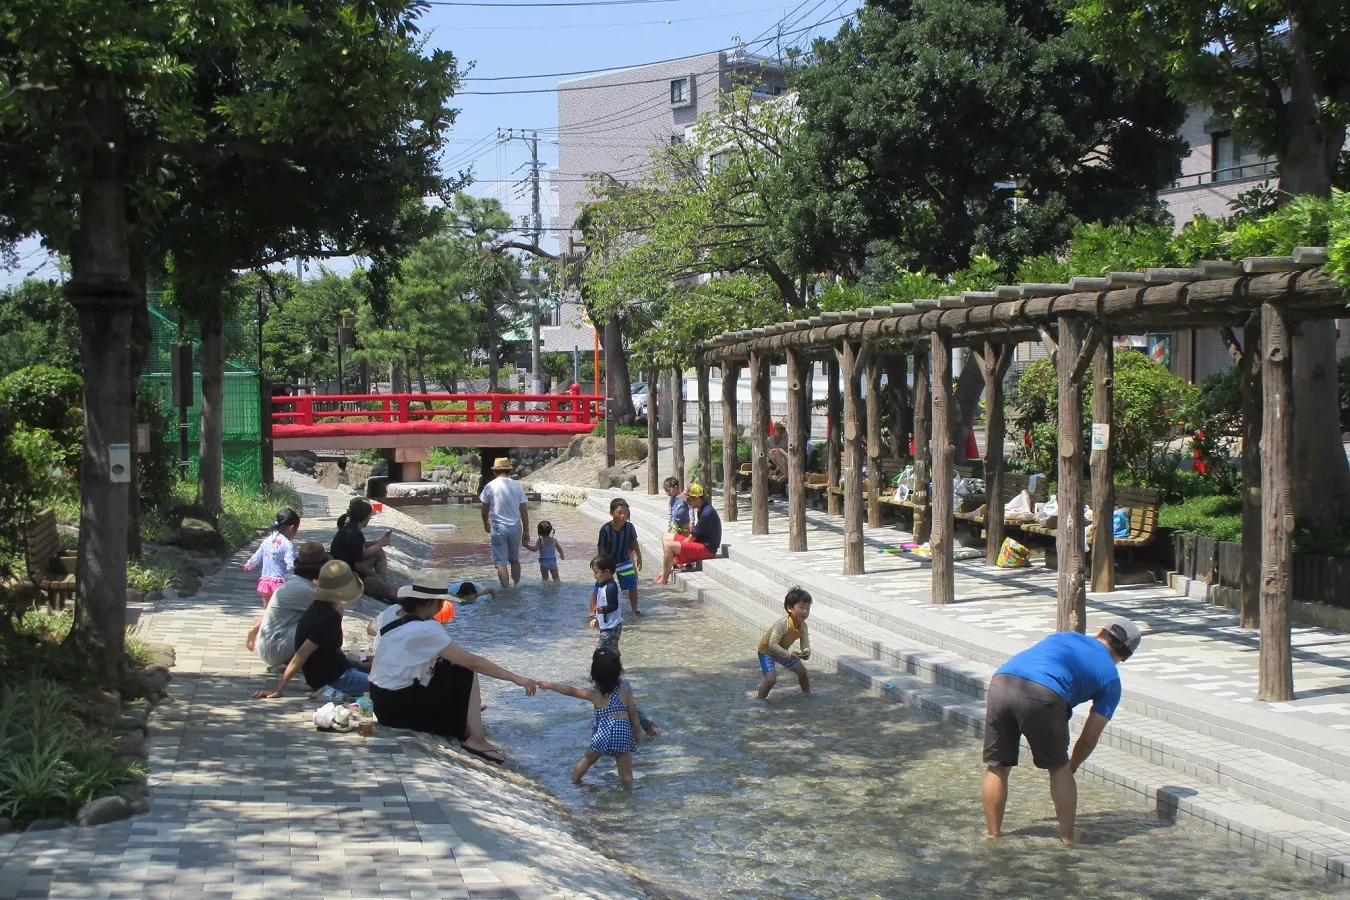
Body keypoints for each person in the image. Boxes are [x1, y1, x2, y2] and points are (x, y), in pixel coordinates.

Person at [982, 617, 1143, 845]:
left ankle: (992, 835)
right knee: (1059, 769)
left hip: (1001, 683)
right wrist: (1071, 767)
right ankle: (1068, 838)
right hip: (1044, 695)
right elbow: (1090, 737)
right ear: (1125, 657)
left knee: (997, 766)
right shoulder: (1111, 681)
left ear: (1100, 632)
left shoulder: (1065, 636)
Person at [367, 579, 539, 764]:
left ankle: (466, 709)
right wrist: (516, 678)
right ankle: (477, 740)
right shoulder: (428, 629)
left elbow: (370, 629)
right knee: (465, 669)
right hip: (400, 712)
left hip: (379, 701)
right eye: (441, 602)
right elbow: (474, 662)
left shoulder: (392, 611)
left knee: (444, 663)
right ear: (433, 602)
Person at [252, 560, 370, 700]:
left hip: (339, 669)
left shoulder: (318, 606)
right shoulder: (327, 617)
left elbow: (330, 654)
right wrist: (279, 689)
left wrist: (360, 664)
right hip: (334, 678)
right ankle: (334, 692)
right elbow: (301, 654)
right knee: (388, 689)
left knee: (383, 676)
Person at [540, 646, 643, 788]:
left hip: (604, 736)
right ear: (618, 672)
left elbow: (571, 690)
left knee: (587, 760)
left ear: (594, 676)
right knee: (626, 775)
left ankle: (574, 783)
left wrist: (550, 685)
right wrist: (637, 732)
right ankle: (629, 797)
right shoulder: (625, 693)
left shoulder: (595, 695)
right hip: (623, 736)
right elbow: (633, 714)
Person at [248, 542, 327, 665]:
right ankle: (309, 662)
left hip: (269, 644)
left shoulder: (295, 582)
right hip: (273, 649)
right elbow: (333, 610)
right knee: (323, 620)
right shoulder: (302, 589)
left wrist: (254, 629)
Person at [329, 498, 396, 602]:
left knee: (378, 551)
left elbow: (359, 546)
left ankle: (384, 582)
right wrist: (374, 576)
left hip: (346, 570)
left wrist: (377, 542)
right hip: (352, 578)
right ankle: (383, 585)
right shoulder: (355, 534)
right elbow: (359, 566)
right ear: (365, 517)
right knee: (393, 592)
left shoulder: (348, 527)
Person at [480, 457, 529, 588]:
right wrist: (527, 530)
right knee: (515, 560)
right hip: (515, 527)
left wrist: (486, 524)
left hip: (498, 527)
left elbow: (484, 510)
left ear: (495, 472)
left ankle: (506, 591)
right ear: (509, 471)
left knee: (501, 563)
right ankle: (516, 587)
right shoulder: (517, 486)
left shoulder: (489, 486)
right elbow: (524, 510)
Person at [656, 483, 721, 584]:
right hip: (700, 543)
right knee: (666, 537)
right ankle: (670, 566)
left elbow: (691, 538)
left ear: (696, 499)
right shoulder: (702, 508)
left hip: (707, 549)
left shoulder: (707, 513)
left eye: (688, 499)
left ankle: (664, 579)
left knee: (670, 546)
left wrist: (679, 547)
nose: (686, 502)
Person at [757, 587, 812, 700]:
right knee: (771, 679)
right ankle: (759, 701)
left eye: (807, 608)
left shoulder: (803, 626)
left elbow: (805, 642)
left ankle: (807, 695)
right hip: (766, 652)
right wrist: (789, 654)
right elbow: (772, 645)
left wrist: (806, 652)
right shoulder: (782, 624)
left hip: (783, 652)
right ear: (790, 608)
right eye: (801, 607)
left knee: (803, 672)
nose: (805, 611)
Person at [244, 507, 301, 604]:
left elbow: (258, 555)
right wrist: (297, 573)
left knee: (268, 611)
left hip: (265, 581)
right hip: (281, 583)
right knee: (278, 611)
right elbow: (290, 564)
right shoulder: (287, 544)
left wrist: (249, 564)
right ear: (292, 528)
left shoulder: (267, 540)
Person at [596, 498, 642, 615]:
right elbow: (601, 549)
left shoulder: (629, 527)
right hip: (608, 562)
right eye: (620, 512)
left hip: (623, 560)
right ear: (612, 513)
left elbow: (634, 542)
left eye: (625, 513)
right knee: (599, 586)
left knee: (632, 584)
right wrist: (600, 566)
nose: (623, 516)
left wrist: (639, 557)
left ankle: (634, 609)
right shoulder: (605, 529)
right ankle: (594, 611)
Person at [589, 554, 623, 649]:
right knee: (611, 650)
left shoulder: (611, 587)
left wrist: (603, 609)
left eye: (596, 573)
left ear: (607, 572)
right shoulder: (602, 586)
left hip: (612, 627)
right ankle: (615, 663)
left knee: (601, 650)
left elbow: (613, 605)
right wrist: (596, 618)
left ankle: (610, 663)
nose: (595, 576)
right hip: (608, 626)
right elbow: (601, 603)